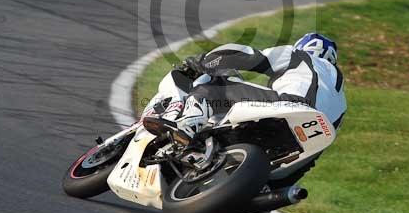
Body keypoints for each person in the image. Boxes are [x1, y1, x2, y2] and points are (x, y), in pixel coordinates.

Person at [141, 33, 347, 139]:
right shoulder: (341, 99)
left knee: (215, 88)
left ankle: (187, 125)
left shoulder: (301, 56)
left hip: (293, 105)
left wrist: (204, 62)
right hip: (311, 138)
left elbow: (252, 58)